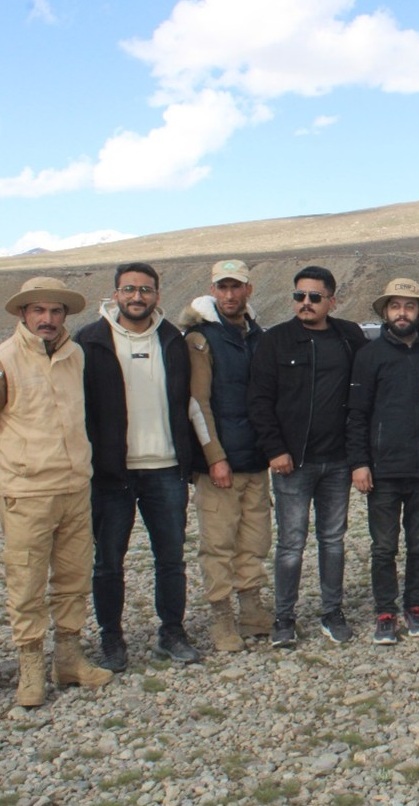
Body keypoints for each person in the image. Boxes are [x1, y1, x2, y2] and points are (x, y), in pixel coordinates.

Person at [76, 263, 199, 670]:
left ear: (157, 295)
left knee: (170, 558)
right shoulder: (91, 341)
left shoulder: (172, 339)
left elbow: (191, 402)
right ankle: (111, 637)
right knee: (109, 560)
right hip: (112, 472)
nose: (136, 297)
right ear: (115, 294)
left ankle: (172, 631)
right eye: (129, 289)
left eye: (145, 290)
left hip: (165, 467)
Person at [0, 278, 113, 707]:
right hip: (26, 491)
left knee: (72, 576)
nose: (47, 319)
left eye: (56, 311)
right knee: (26, 581)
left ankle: (68, 657)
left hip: (74, 486)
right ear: (23, 314)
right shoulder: (5, 360)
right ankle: (30, 666)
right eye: (39, 311)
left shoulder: (75, 356)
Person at [247, 265, 368, 648]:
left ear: (332, 300)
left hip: (337, 460)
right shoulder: (276, 341)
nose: (306, 303)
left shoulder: (350, 337)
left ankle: (332, 612)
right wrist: (275, 450)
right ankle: (284, 617)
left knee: (333, 539)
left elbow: (376, 370)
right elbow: (259, 400)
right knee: (291, 543)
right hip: (292, 462)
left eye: (315, 297)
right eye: (299, 296)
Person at [348, 279, 419, 645]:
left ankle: (415, 606)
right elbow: (356, 414)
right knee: (384, 546)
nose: (402, 313)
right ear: (385, 312)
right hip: (383, 470)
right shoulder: (369, 356)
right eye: (395, 306)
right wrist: (359, 463)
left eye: (409, 306)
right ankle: (385, 612)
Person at [180, 259, 272, 652]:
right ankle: (221, 618)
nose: (230, 295)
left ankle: (251, 610)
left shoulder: (256, 334)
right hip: (221, 461)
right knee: (218, 542)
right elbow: (197, 402)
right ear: (213, 289)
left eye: (237, 287)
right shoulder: (200, 338)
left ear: (249, 289)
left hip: (255, 457)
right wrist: (214, 456)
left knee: (255, 539)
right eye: (223, 287)